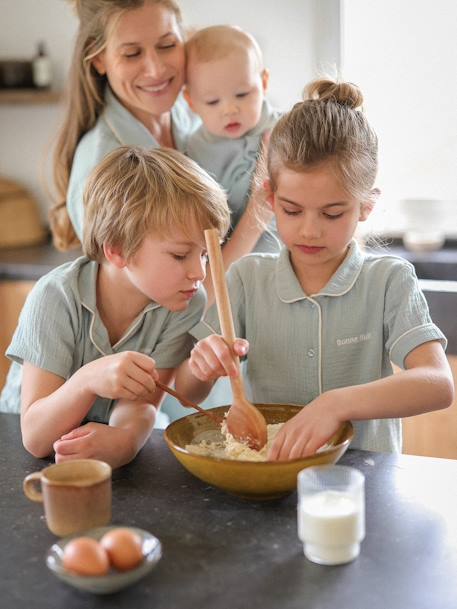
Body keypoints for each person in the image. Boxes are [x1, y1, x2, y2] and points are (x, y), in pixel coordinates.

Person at [175, 78, 454, 459]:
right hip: (271, 482)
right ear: (271, 197)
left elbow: (438, 384)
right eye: (291, 210)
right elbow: (188, 391)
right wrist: (201, 366)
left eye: (332, 213)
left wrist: (334, 404)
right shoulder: (245, 280)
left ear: (366, 206)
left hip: (364, 487)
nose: (309, 229)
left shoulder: (389, 280)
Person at [0, 146, 230, 468]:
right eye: (180, 255)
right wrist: (87, 380)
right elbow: (35, 437)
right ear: (118, 251)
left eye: (206, 254)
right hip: (17, 447)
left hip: (98, 440)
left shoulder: (183, 299)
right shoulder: (55, 297)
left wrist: (126, 441)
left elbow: (141, 403)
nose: (199, 272)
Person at [50, 0, 199, 251]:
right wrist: (255, 214)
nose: (156, 69)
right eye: (132, 54)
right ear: (99, 60)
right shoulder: (102, 165)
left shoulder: (199, 114)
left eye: (167, 45)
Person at [184, 24, 282, 260]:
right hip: (229, 255)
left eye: (242, 94)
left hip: (285, 247)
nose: (229, 109)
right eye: (212, 101)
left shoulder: (286, 130)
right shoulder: (195, 150)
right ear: (191, 102)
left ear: (264, 83)